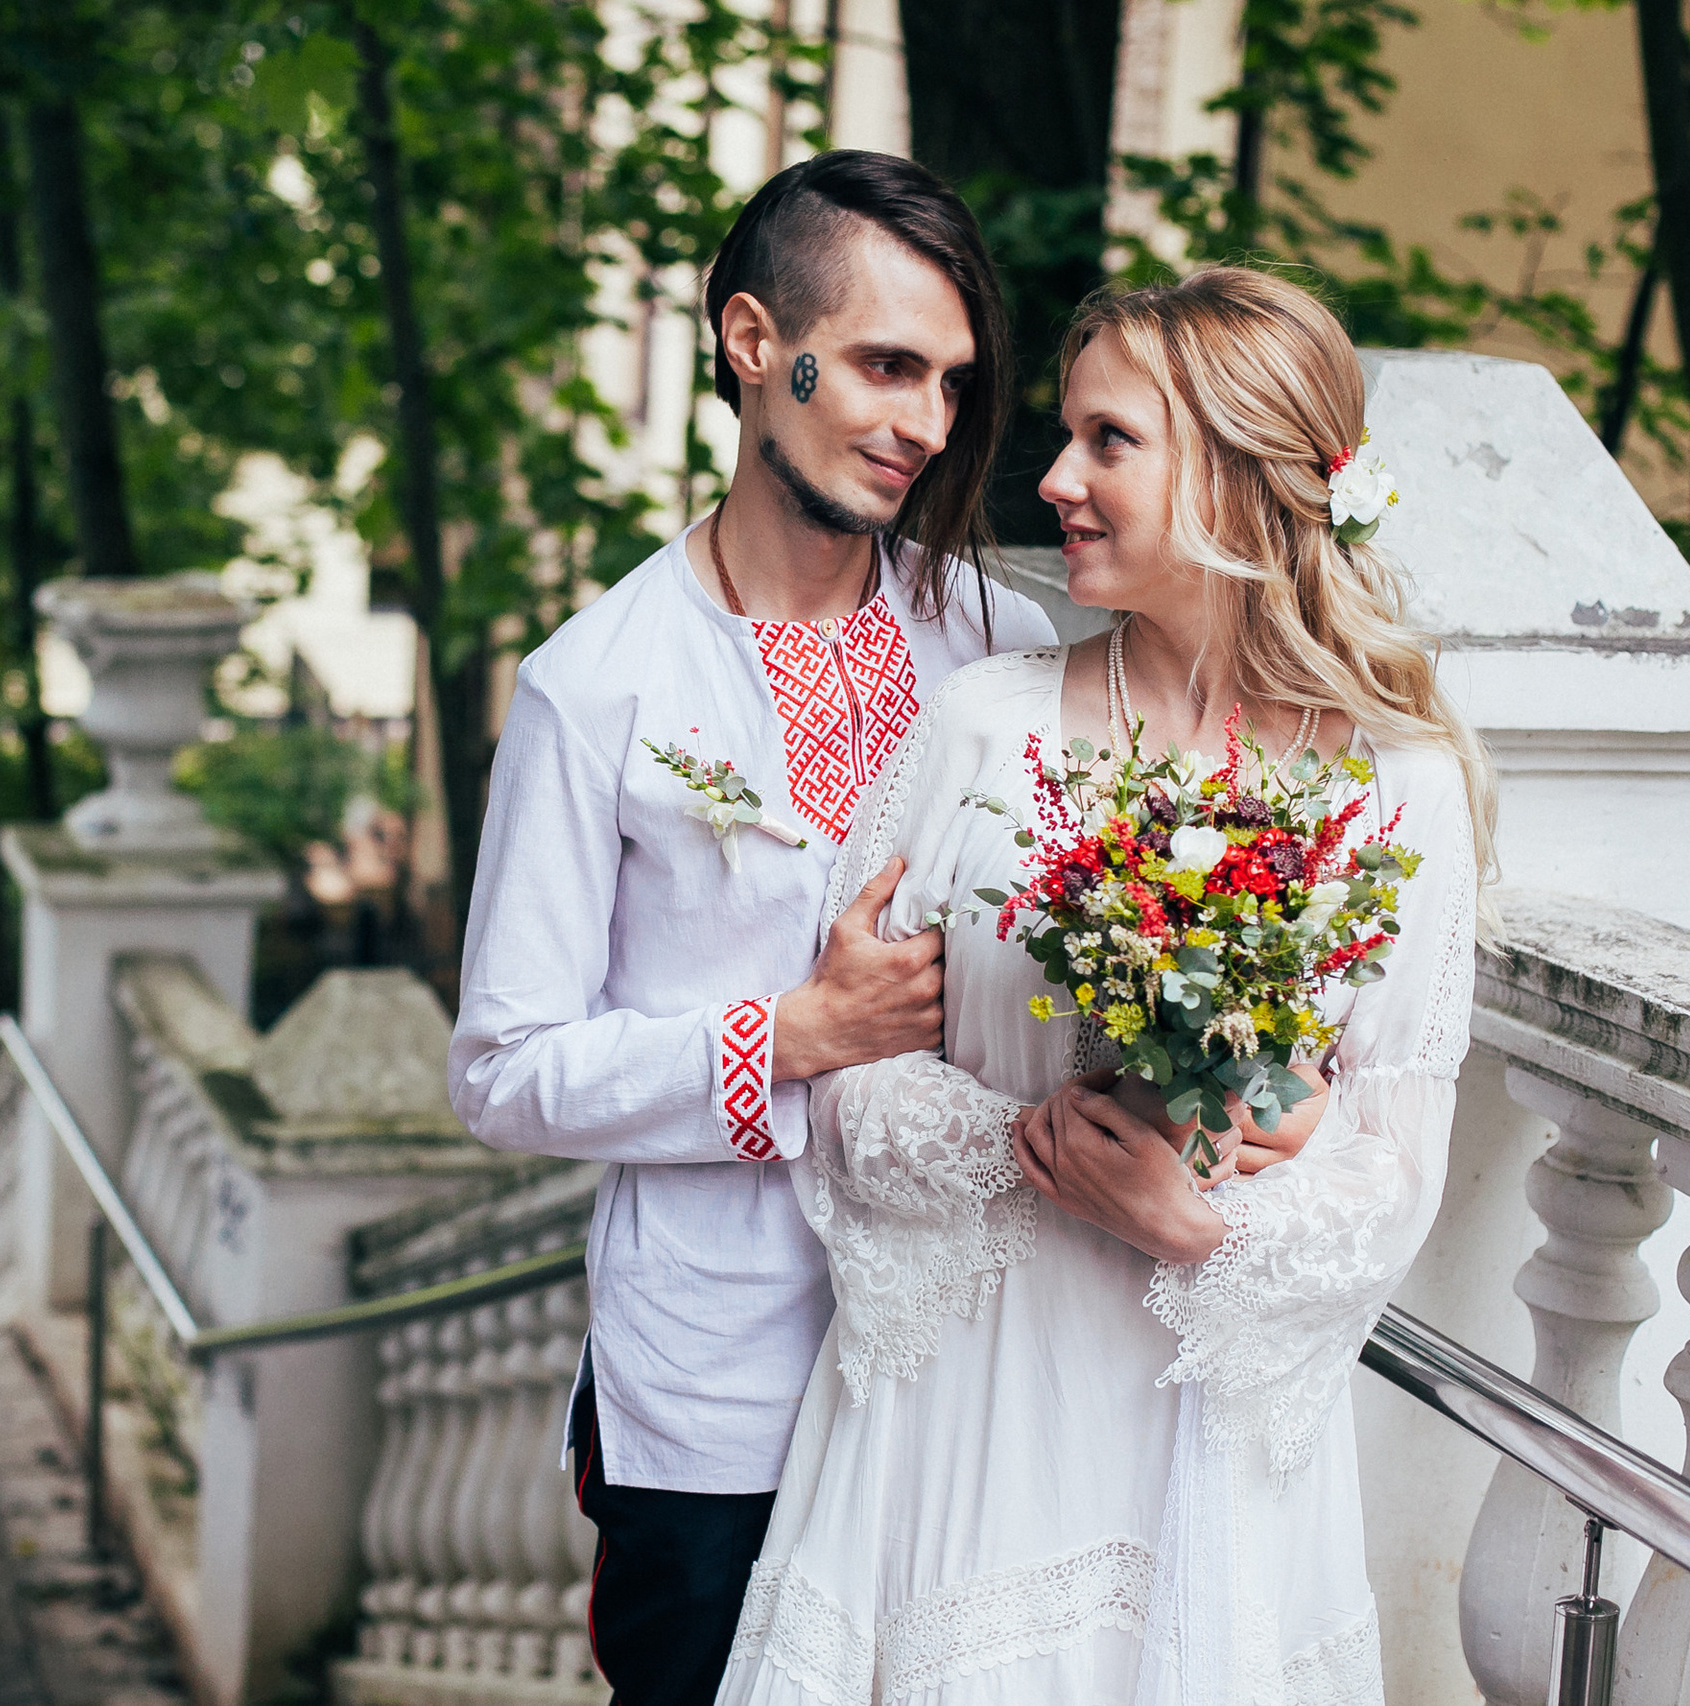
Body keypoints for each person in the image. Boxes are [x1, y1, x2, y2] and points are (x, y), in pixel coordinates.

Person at [715, 266, 1492, 1706]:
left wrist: (1198, 1218)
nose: (1057, 477)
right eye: (1067, 435)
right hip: (972, 1419)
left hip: (1202, 1453)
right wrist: (1031, 1148)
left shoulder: (1397, 787)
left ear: (1240, 474)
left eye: (1110, 441)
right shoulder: (977, 732)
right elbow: (851, 1085)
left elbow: (1400, 1164)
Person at [448, 150, 1062, 1704]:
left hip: (966, 1351)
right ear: (748, 344)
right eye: (880, 364)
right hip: (720, 1378)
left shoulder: (1002, 645)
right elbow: (503, 1069)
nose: (922, 421)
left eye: (945, 379)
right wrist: (782, 1038)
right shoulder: (596, 688)